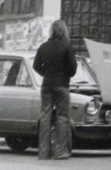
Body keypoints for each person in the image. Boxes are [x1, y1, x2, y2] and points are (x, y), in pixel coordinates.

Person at [33, 19, 77, 160]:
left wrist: (46, 74)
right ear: (64, 30)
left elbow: (36, 66)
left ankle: (43, 152)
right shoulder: (67, 46)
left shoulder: (43, 46)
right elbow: (73, 68)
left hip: (46, 85)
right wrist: (64, 76)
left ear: (51, 31)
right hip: (62, 85)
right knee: (62, 117)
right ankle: (60, 152)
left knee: (45, 117)